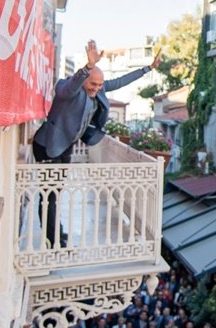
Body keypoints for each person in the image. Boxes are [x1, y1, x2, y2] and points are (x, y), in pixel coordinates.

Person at [31, 39, 160, 248]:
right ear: (84, 79)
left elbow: (121, 81)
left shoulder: (98, 90)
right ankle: (52, 239)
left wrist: (148, 68)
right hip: (48, 144)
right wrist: (88, 66)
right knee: (49, 194)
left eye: (100, 85)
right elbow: (68, 89)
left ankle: (55, 232)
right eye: (93, 84)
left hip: (66, 145)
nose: (97, 88)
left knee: (57, 193)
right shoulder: (67, 87)